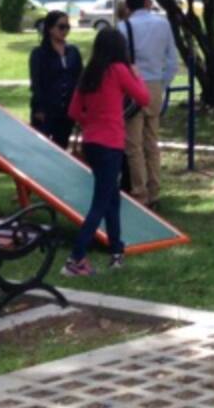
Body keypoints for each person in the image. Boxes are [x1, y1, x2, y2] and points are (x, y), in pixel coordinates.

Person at [63, 27, 150, 276]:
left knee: (112, 199)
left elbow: (73, 111)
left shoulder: (90, 73)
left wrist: (90, 122)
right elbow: (143, 98)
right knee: (101, 203)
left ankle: (116, 252)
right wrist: (137, 75)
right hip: (111, 143)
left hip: (92, 142)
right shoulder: (119, 71)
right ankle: (76, 258)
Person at [118, 0, 178, 211]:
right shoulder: (163, 24)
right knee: (151, 142)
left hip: (131, 87)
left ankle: (139, 193)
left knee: (133, 145)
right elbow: (172, 61)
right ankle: (154, 192)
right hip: (154, 85)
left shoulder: (124, 27)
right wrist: (162, 83)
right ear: (145, 1)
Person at [28, 11, 83, 149]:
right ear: (50, 28)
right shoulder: (39, 54)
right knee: (42, 147)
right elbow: (37, 83)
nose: (65, 31)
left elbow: (80, 79)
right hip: (46, 109)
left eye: (67, 27)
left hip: (67, 110)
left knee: (62, 145)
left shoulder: (73, 52)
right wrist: (39, 109)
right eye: (61, 27)